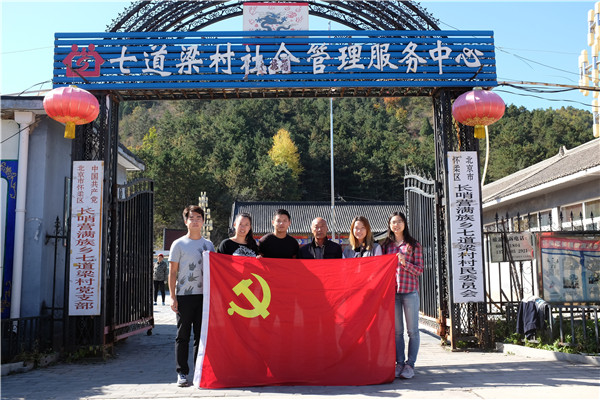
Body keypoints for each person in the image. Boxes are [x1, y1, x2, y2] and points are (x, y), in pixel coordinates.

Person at [168, 205, 215, 387]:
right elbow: (172, 272)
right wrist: (173, 297)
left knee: (201, 336)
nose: (195, 221)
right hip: (184, 296)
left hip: (204, 296)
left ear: (203, 221)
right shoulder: (178, 244)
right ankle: (182, 372)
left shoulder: (208, 245)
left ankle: (199, 372)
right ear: (185, 221)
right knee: (183, 335)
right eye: (191, 218)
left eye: (198, 218)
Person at [380, 211, 423, 380]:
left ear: (404, 224)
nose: (396, 225)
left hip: (410, 291)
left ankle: (410, 365)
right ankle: (399, 363)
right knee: (397, 331)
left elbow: (419, 270)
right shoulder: (386, 246)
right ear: (389, 225)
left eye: (399, 221)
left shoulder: (414, 245)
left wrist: (405, 263)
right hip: (392, 292)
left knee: (413, 331)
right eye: (393, 222)